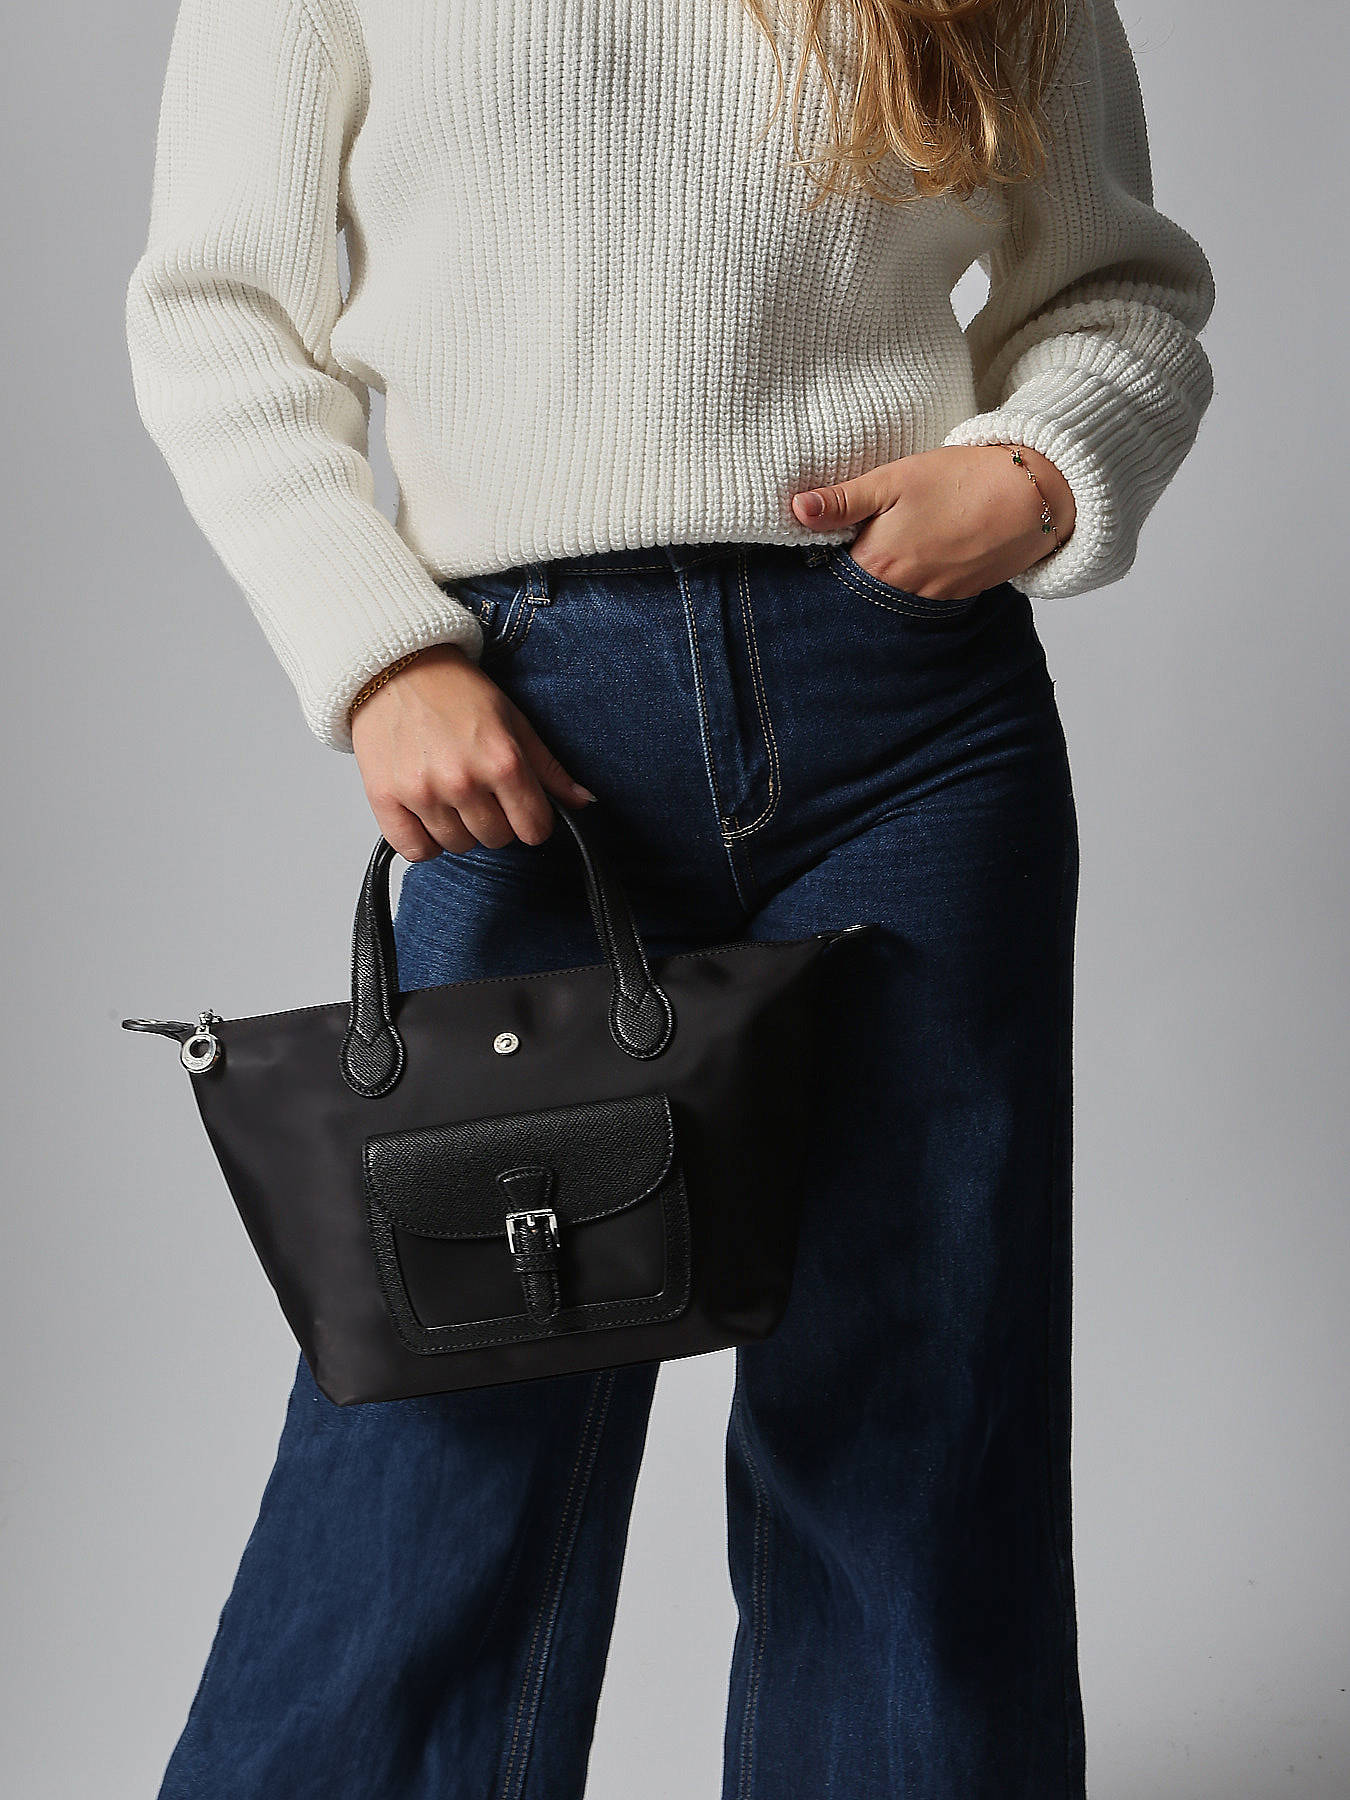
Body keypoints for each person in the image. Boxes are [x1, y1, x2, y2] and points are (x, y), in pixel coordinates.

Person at [123, 1, 1215, 1794]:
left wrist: (1036, 471)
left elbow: (1116, 290)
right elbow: (218, 310)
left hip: (909, 717)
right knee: (443, 1411)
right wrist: (378, 648)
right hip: (521, 722)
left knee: (920, 1406)